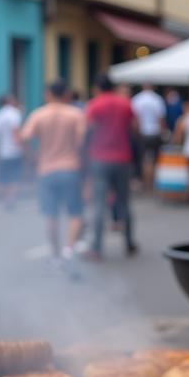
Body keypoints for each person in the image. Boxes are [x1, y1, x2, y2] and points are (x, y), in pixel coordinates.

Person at [20, 81, 87, 273]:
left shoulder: (39, 114)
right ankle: (69, 250)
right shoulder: (75, 114)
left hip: (46, 170)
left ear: (47, 94)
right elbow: (82, 142)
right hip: (70, 167)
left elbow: (24, 138)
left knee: (51, 214)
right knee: (76, 213)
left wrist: (31, 157)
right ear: (66, 94)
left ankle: (56, 255)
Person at [85, 74, 137, 258]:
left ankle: (96, 248)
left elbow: (88, 129)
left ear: (98, 87)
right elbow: (134, 128)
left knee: (99, 204)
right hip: (122, 158)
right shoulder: (125, 104)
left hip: (100, 158)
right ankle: (130, 243)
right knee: (124, 203)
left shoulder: (95, 104)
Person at [0, 94, 23, 209]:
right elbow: (16, 132)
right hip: (14, 151)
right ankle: (11, 199)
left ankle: (5, 199)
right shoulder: (15, 113)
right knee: (14, 177)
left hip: (1, 152)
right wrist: (23, 147)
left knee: (3, 177)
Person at [131, 82, 165, 192]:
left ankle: (146, 183)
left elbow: (135, 119)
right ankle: (152, 183)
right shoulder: (157, 99)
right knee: (153, 160)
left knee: (145, 160)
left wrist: (136, 132)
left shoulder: (137, 99)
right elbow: (161, 118)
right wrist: (162, 131)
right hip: (154, 132)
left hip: (143, 133)